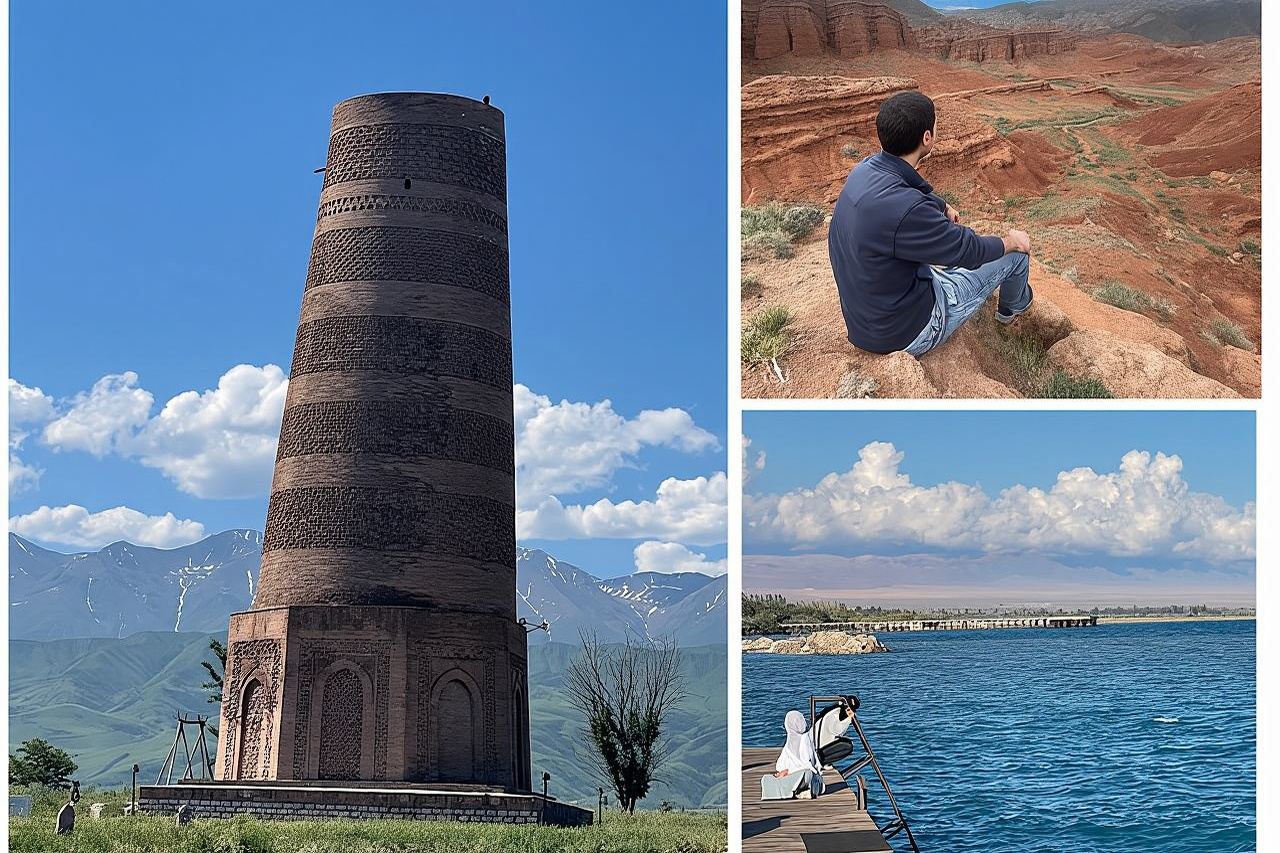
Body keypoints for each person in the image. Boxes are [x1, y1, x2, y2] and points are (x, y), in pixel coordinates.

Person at [828, 90, 1033, 356]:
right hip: (909, 332)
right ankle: (1012, 309)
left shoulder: (864, 170)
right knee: (1016, 256)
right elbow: (969, 251)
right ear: (927, 137)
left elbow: (906, 191)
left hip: (867, 322)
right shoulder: (910, 211)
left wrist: (942, 205)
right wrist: (1011, 241)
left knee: (944, 257)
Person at [760, 710, 826, 800]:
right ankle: (801, 792)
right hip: (791, 777)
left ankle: (795, 790)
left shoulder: (805, 740)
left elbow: (808, 765)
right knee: (765, 779)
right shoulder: (790, 742)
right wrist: (782, 773)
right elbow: (780, 766)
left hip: (805, 775)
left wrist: (789, 771)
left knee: (806, 774)